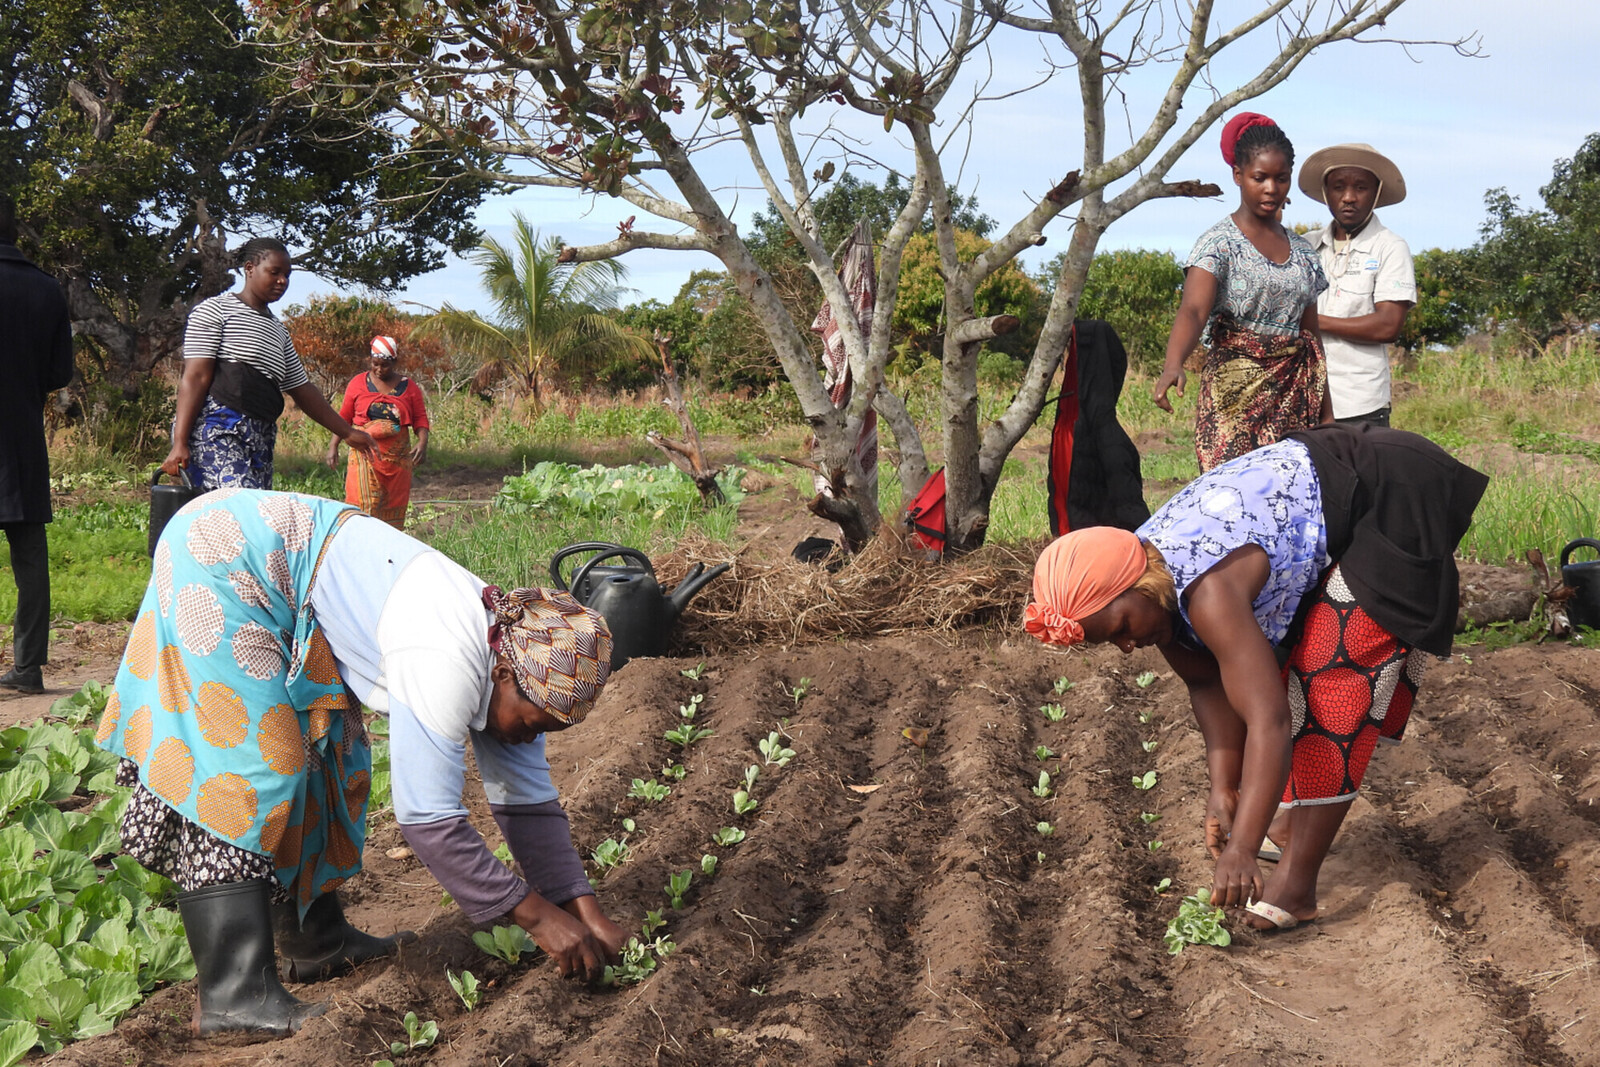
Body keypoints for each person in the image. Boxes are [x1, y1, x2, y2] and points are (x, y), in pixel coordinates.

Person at [96, 489, 626, 1035]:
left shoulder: (515, 657)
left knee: (330, 757)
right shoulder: (444, 658)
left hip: (289, 567)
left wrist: (584, 910)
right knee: (248, 771)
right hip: (226, 558)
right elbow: (430, 822)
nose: (528, 739)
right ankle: (233, 994)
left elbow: (530, 804)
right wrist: (538, 917)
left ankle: (315, 939)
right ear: (505, 675)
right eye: (534, 724)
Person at [1024, 423, 1487, 932]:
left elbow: (1269, 721)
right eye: (1111, 642)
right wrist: (1224, 786)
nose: (1127, 645)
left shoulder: (1207, 591)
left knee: (1332, 682)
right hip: (1342, 490)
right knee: (1284, 670)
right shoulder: (1156, 591)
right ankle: (1291, 826)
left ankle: (1298, 885)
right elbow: (1207, 683)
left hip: (1395, 488)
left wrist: (1242, 848)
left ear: (1136, 584)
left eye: (1120, 629)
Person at [1153, 113, 1331, 471]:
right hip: (1233, 400)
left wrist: (1327, 415)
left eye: (1281, 179)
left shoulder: (1306, 257)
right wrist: (1174, 363)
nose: (1271, 188)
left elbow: (1312, 342)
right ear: (1238, 176)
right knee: (1231, 499)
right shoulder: (1218, 244)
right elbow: (1193, 311)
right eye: (1259, 178)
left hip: (1293, 399)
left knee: (1288, 499)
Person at [161, 238, 373, 489]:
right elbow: (196, 377)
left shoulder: (279, 331)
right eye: (274, 272)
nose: (282, 281)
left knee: (254, 517)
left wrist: (348, 433)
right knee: (240, 506)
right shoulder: (216, 310)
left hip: (261, 435)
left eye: (287, 275)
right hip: (218, 429)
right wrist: (180, 442)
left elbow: (302, 389)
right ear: (249, 269)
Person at [0, 196, 75, 695]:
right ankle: (28, 669)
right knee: (30, 560)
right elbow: (58, 373)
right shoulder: (48, 290)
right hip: (22, 442)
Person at [1300, 144, 1417, 426]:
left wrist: (1314, 321)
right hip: (1303, 399)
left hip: (1359, 403)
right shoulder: (1305, 246)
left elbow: (1387, 325)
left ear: (1376, 193)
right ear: (1326, 192)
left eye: (1361, 188)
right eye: (1339, 187)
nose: (1349, 197)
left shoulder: (1390, 247)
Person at [326, 335, 431, 529]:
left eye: (385, 365)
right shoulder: (358, 383)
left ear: (395, 362)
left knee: (393, 508)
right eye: (375, 364)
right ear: (370, 361)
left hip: (397, 462)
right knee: (361, 509)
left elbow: (420, 419)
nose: (379, 370)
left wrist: (422, 442)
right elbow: (344, 417)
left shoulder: (410, 387)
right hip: (364, 456)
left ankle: (386, 555)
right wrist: (333, 446)